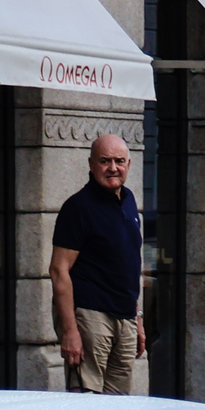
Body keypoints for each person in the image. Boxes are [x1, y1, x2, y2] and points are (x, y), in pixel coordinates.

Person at [49, 133, 146, 394]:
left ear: (129, 164)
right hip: (91, 316)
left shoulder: (128, 201)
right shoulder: (78, 207)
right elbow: (59, 271)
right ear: (91, 164)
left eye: (119, 161)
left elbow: (126, 266)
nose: (113, 168)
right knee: (88, 403)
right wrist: (70, 331)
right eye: (105, 161)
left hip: (124, 317)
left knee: (118, 407)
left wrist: (137, 319)